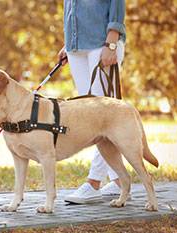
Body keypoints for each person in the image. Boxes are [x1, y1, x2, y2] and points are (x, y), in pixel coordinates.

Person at [58, 0, 126, 204]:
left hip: (102, 44)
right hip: (77, 47)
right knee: (89, 115)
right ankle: (118, 181)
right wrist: (70, 42)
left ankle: (94, 182)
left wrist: (112, 42)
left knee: (100, 116)